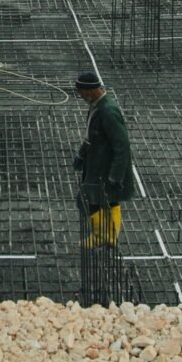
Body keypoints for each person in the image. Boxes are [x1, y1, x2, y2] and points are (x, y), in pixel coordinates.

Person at [74, 71, 135, 248]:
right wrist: (82, 153)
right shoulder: (98, 106)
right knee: (102, 199)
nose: (81, 97)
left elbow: (122, 145)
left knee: (95, 199)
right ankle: (104, 235)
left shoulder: (108, 110)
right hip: (96, 162)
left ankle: (105, 236)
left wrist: (116, 175)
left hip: (105, 167)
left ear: (91, 91)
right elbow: (91, 136)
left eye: (82, 93)